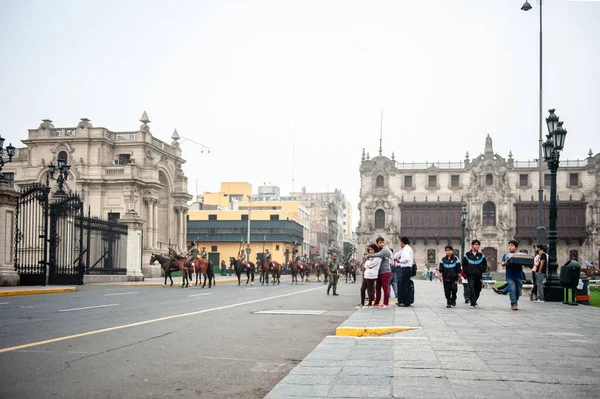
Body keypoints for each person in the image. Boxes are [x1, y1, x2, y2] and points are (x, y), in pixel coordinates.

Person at [462, 239, 487, 308]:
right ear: (472, 245)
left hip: (478, 275)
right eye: (476, 244)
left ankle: (474, 301)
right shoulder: (467, 255)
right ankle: (473, 303)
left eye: (478, 245)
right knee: (471, 288)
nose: (477, 246)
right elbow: (464, 264)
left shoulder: (481, 255)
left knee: (478, 289)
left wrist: (481, 270)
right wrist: (467, 271)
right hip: (470, 275)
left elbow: (485, 264)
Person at [368, 237, 392, 308]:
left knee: (385, 288)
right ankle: (376, 302)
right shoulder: (379, 250)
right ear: (377, 243)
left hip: (385, 272)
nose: (381, 244)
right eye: (380, 243)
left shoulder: (385, 250)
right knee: (377, 287)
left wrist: (369, 255)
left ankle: (386, 303)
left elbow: (377, 255)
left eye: (382, 242)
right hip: (379, 272)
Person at [500, 239, 524, 311]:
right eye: (509, 245)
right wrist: (507, 262)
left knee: (518, 291)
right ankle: (514, 304)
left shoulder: (520, 255)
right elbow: (502, 264)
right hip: (510, 276)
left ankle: (514, 301)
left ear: (516, 247)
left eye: (512, 245)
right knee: (512, 289)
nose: (510, 247)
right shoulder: (506, 255)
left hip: (519, 276)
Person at [395, 236, 414, 307]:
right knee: (404, 284)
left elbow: (406, 259)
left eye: (400, 242)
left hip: (406, 269)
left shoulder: (406, 249)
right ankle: (405, 301)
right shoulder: (407, 248)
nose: (400, 243)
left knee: (404, 285)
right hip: (407, 269)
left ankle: (405, 302)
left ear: (402, 242)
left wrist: (399, 260)